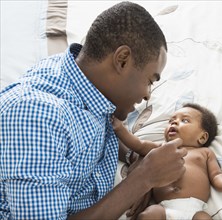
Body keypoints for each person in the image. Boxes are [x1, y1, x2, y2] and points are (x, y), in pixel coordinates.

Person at [0, 2, 188, 219]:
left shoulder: (83, 78)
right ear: (122, 60)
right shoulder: (36, 119)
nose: (147, 95)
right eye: (150, 80)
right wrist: (143, 179)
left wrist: (133, 157)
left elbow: (96, 129)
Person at [112, 103, 222, 220]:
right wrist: (120, 129)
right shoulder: (162, 148)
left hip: (194, 210)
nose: (174, 123)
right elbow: (139, 145)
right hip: (163, 208)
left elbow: (216, 175)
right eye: (171, 121)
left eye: (184, 120)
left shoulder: (204, 153)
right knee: (148, 215)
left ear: (202, 137)